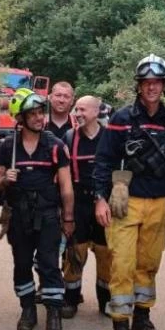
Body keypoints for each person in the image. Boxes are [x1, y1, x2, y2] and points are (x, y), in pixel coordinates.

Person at [93, 54, 165, 330]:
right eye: (146, 82)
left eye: (157, 82)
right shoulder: (122, 119)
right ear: (139, 85)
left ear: (164, 86)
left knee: (148, 264)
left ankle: (142, 319)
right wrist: (100, 198)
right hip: (126, 202)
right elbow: (103, 160)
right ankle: (120, 329)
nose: (151, 88)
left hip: (159, 202)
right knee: (122, 264)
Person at [0, 88, 74, 330]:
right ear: (20, 118)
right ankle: (28, 309)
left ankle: (54, 317)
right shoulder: (9, 146)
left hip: (48, 215)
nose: (40, 118)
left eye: (41, 112)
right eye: (33, 114)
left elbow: (66, 186)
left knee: (50, 265)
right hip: (18, 216)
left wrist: (68, 218)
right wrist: (3, 180)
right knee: (22, 263)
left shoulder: (55, 146)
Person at [61, 95, 111, 318]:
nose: (78, 114)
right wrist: (65, 212)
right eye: (76, 110)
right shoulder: (69, 137)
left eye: (82, 110)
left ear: (96, 112)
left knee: (106, 254)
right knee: (74, 252)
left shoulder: (110, 137)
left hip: (105, 205)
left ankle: (106, 301)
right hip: (78, 203)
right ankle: (71, 299)